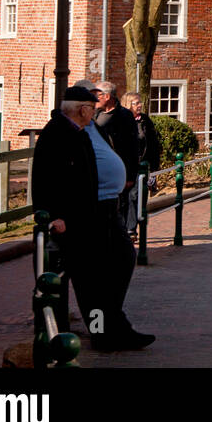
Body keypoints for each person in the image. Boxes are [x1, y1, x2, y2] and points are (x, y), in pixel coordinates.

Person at [31, 85, 154, 352]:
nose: (94, 112)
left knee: (122, 259)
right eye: (91, 108)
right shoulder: (57, 134)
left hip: (101, 211)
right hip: (78, 219)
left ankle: (114, 325)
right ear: (83, 109)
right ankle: (103, 333)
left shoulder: (83, 132)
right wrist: (54, 215)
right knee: (91, 282)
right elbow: (42, 178)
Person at [93, 81, 140, 230]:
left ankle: (126, 232)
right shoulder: (94, 115)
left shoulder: (124, 116)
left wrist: (130, 175)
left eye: (97, 95)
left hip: (120, 171)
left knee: (123, 204)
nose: (94, 99)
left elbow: (132, 147)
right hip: (99, 173)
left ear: (107, 97)